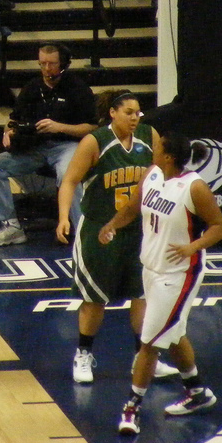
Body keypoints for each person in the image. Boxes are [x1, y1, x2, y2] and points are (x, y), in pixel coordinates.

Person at [101, 132, 222, 436]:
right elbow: (132, 208)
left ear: (169, 156)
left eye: (158, 146)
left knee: (149, 343)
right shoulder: (153, 173)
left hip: (180, 274)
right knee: (173, 333)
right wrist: (111, 225)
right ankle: (198, 392)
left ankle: (131, 408)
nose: (153, 147)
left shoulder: (193, 187)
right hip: (152, 268)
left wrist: (193, 246)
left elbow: (220, 226)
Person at [55, 91, 175, 383]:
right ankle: (83, 354)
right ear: (113, 112)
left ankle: (144, 357)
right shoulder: (95, 141)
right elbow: (70, 180)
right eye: (129, 112)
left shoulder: (150, 135)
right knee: (95, 298)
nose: (135, 117)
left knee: (141, 294)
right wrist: (62, 217)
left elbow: (165, 174)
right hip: (101, 229)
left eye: (138, 113)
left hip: (139, 230)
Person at [0, 44, 97, 246]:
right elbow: (12, 120)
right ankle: (11, 227)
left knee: (67, 174)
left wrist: (59, 127)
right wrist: (8, 131)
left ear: (62, 64)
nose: (46, 68)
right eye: (42, 63)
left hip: (67, 145)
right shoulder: (32, 87)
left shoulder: (78, 88)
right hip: (35, 147)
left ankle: (81, 229)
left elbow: (92, 127)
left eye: (52, 64)